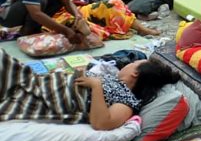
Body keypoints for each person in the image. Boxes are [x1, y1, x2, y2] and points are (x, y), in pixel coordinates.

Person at [0, 52, 178, 130]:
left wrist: (96, 86)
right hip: (34, 82)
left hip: (42, 98)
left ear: (134, 72)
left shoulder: (128, 101)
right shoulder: (114, 80)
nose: (128, 63)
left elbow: (102, 123)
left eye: (132, 63)